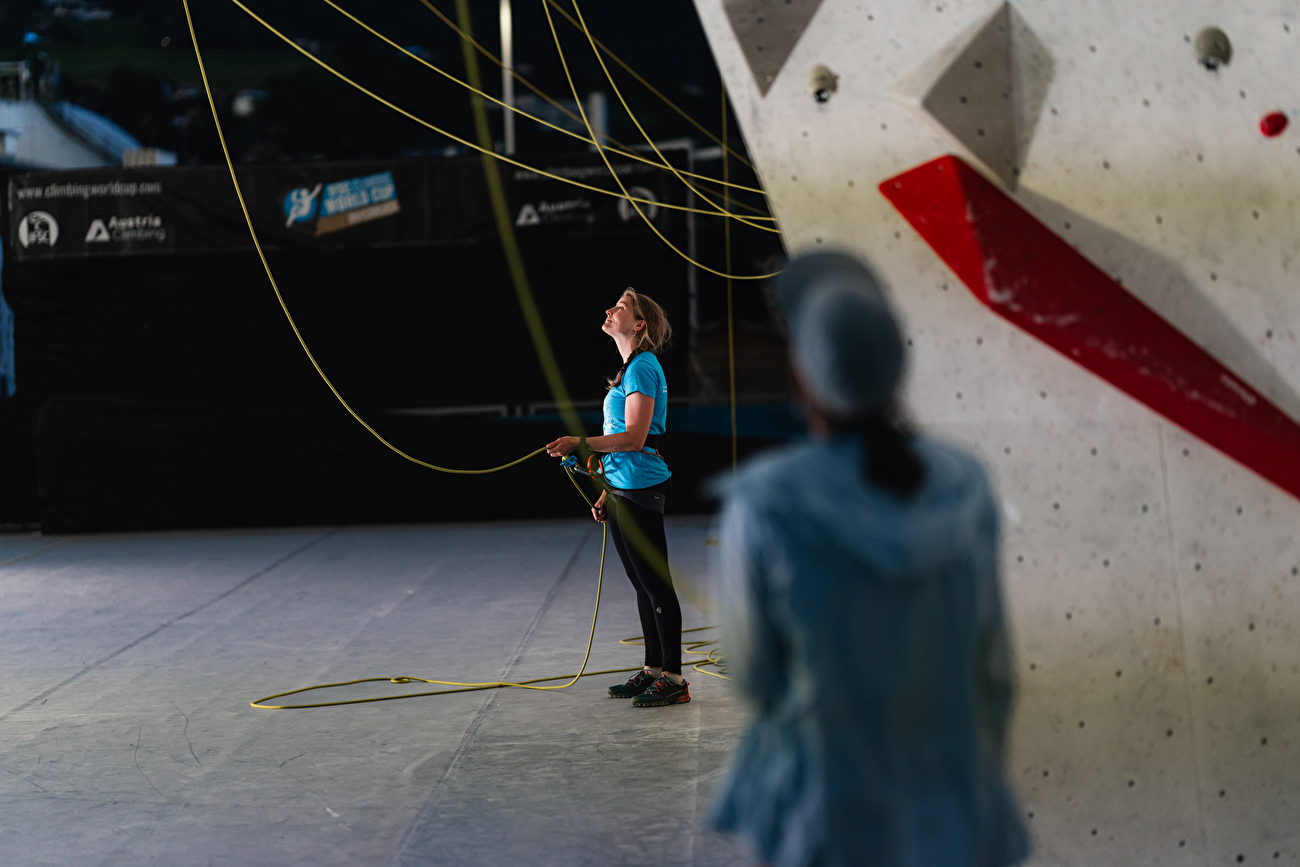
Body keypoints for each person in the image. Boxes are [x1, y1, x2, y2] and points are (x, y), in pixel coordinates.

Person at [709, 252, 1029, 867]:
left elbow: (754, 675)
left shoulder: (767, 503)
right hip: (954, 814)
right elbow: (994, 671)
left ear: (804, 377)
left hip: (828, 819)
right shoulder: (966, 485)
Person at [546, 288, 688, 708]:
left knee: (656, 584)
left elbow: (634, 438)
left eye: (621, 308)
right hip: (626, 488)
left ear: (639, 323)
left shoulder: (644, 367)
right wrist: (609, 492)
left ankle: (675, 679)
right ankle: (653, 670)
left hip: (644, 486)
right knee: (642, 585)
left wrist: (579, 443)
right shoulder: (630, 370)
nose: (610, 310)